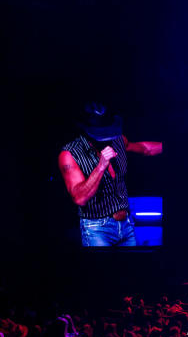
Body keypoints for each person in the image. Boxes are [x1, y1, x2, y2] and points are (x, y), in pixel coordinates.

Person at [59, 102, 162, 246]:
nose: (106, 137)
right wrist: (101, 166)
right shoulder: (70, 154)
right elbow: (79, 198)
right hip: (97, 229)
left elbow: (145, 148)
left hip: (126, 225)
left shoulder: (117, 140)